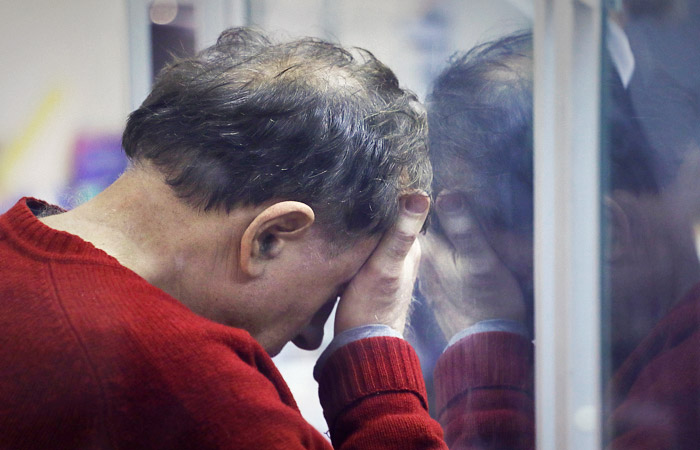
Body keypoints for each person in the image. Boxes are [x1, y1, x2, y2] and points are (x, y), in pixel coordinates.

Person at [0, 27, 449, 449]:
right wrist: (372, 344)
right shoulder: (198, 392)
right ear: (270, 238)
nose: (311, 338)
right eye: (331, 298)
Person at [419, 30, 700, 449]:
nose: (467, 272)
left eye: (482, 240)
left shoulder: (679, 398)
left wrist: (484, 343)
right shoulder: (643, 362)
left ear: (602, 233)